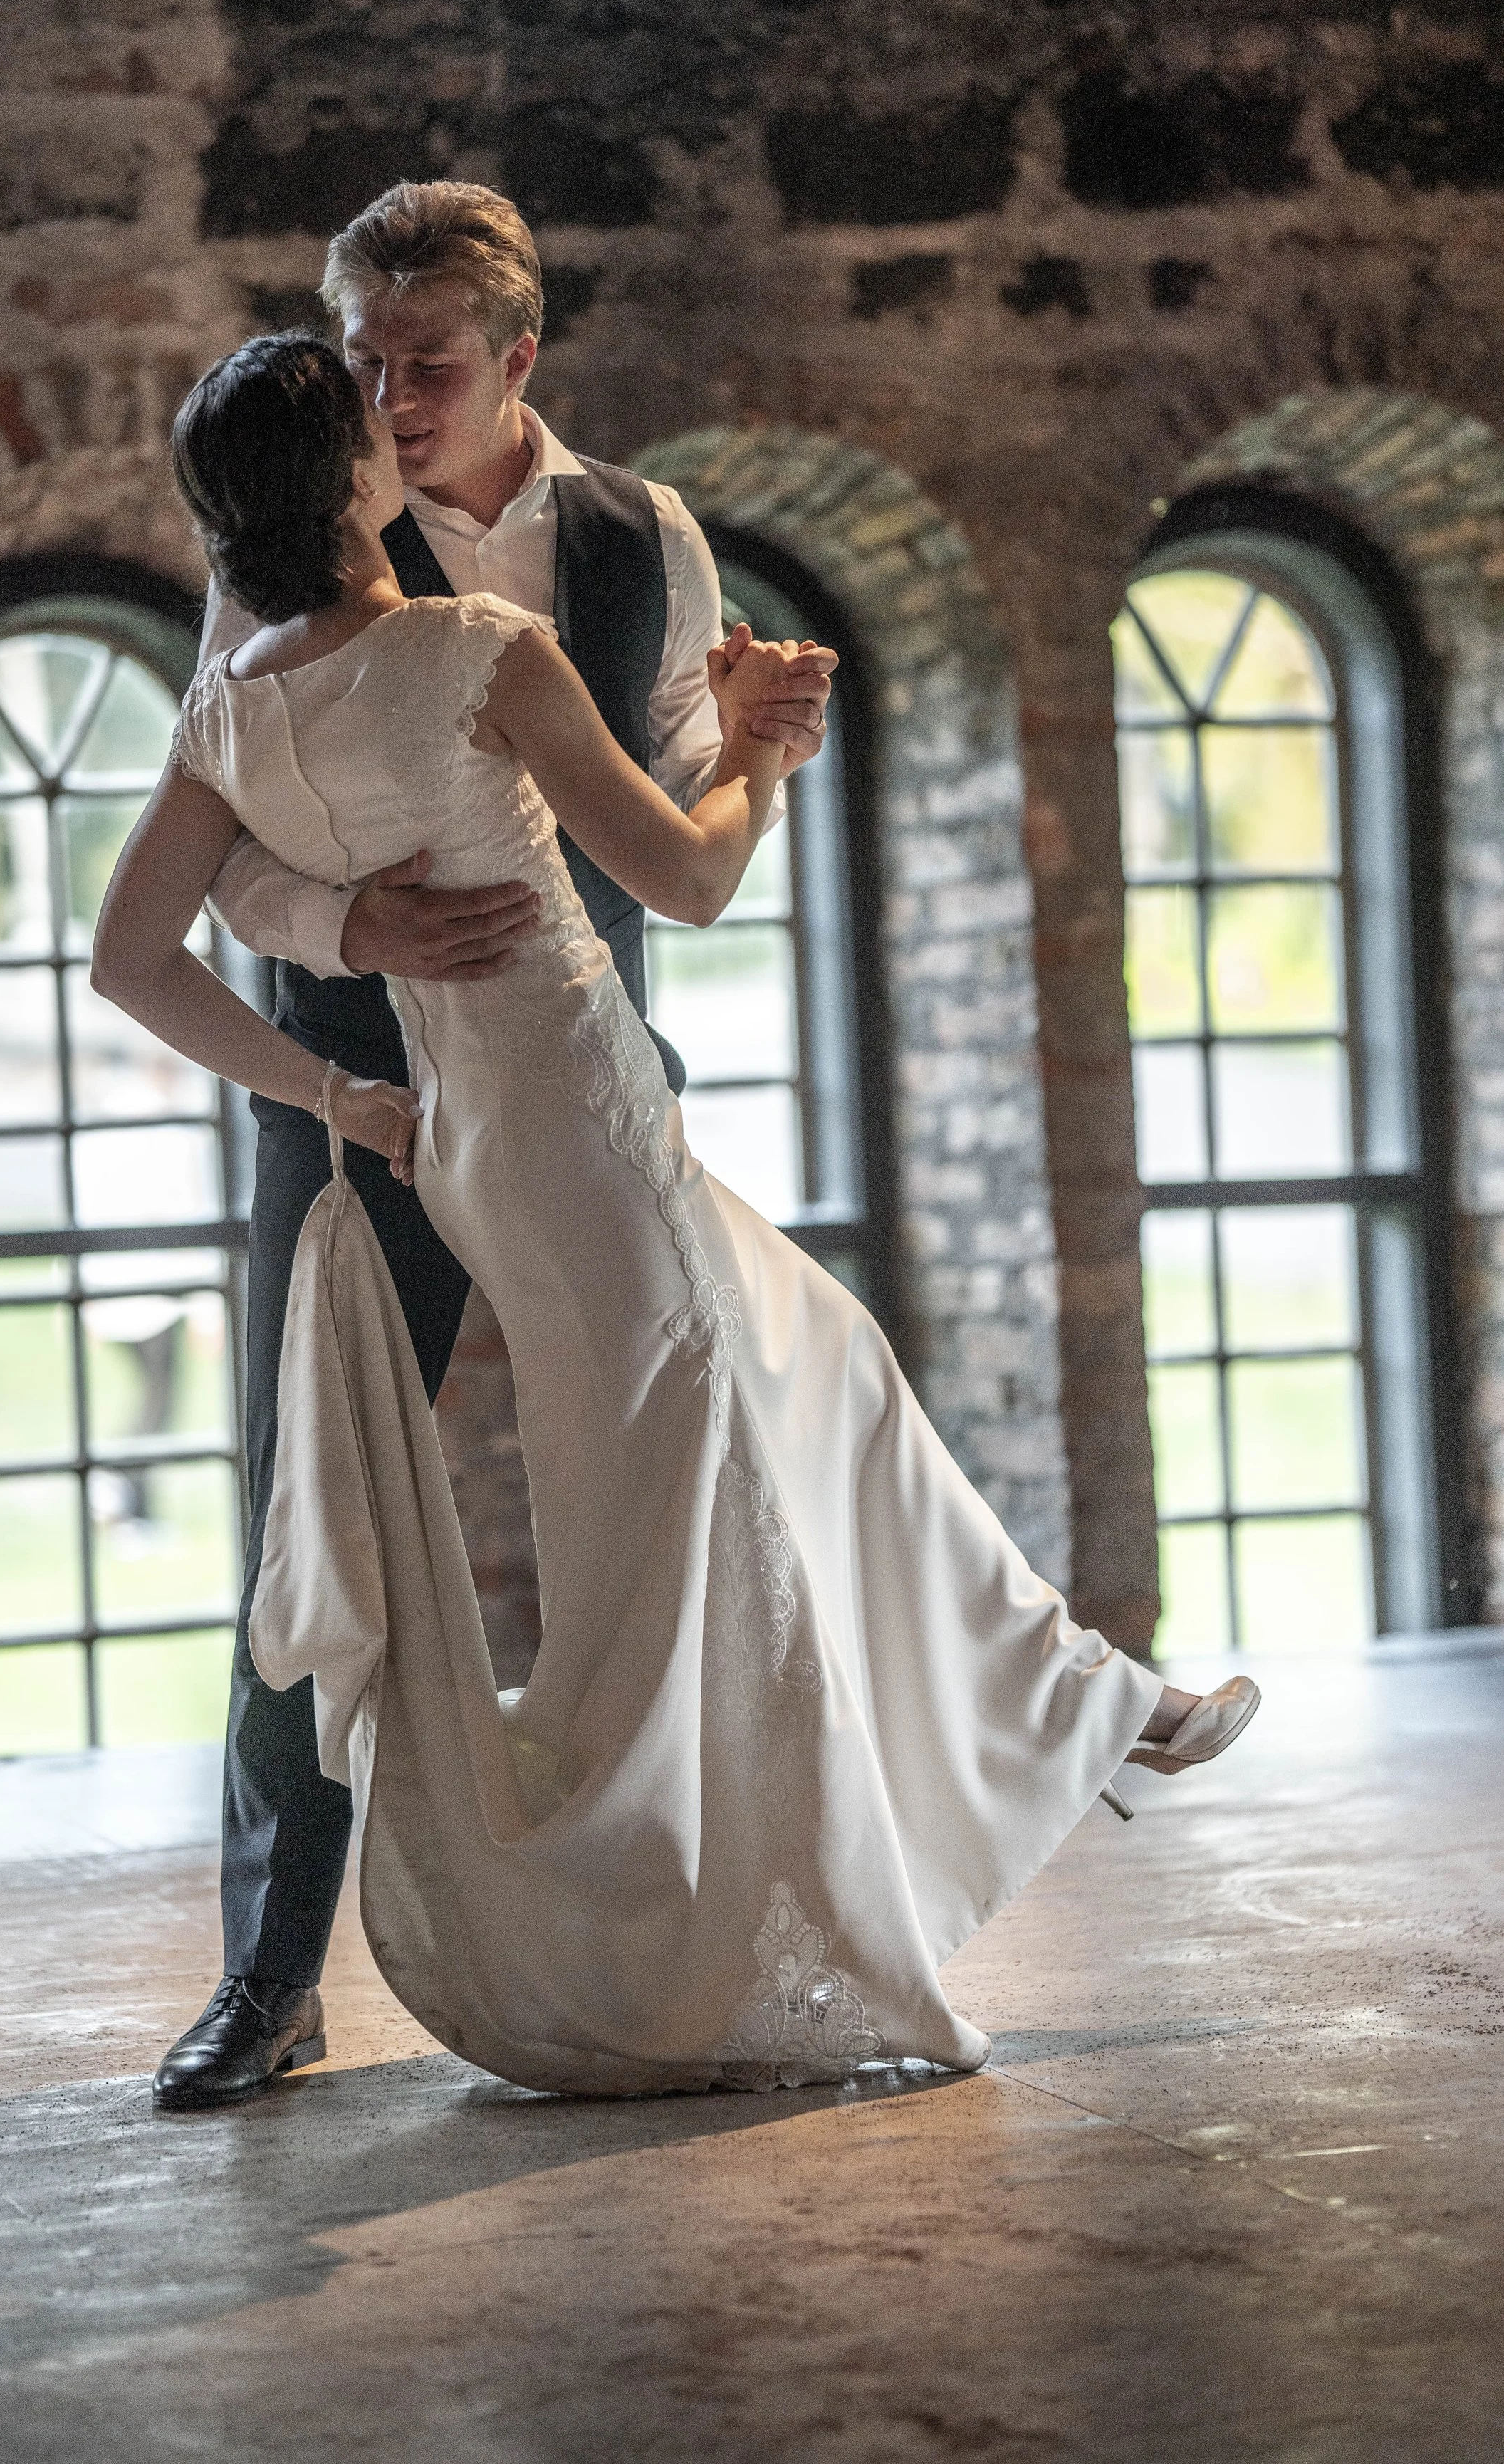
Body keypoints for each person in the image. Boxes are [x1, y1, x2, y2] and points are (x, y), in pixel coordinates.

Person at [94, 329, 1261, 2100]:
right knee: (687, 1526)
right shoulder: (478, 647)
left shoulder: (226, 707)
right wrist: (770, 749)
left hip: (455, 1130)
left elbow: (126, 960)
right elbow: (692, 875)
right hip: (576, 1131)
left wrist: (332, 1093)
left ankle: (1080, 1703)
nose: (397, 405)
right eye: (367, 398)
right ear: (350, 484)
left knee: (823, 1373)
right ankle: (677, 1939)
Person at [149, 182, 838, 2107]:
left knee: (674, 1469)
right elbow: (227, 849)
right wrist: (348, 932)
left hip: (557, 1067)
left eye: (422, 363)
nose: (382, 393)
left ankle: (675, 1915)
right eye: (359, 357)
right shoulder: (276, 546)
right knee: (318, 1492)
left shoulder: (640, 537)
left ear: (518, 361)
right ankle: (268, 1974)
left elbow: (680, 803)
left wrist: (758, 727)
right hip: (352, 1089)